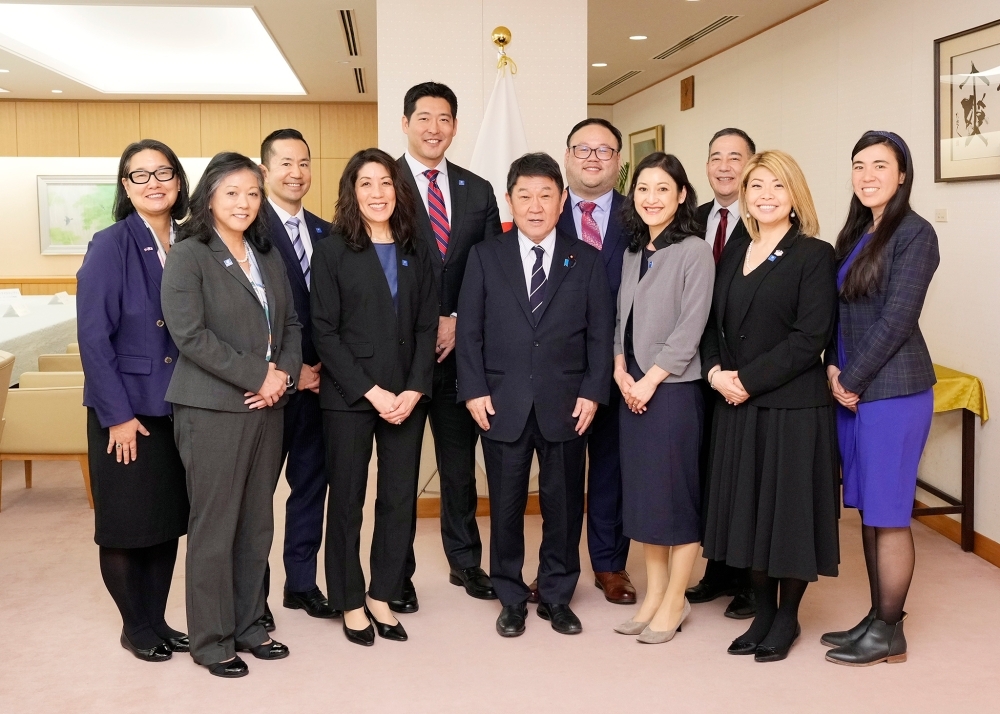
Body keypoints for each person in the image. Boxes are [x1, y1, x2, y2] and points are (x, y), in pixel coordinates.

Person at [457, 153, 614, 638]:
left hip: (566, 404)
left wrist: (592, 392)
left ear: (562, 199)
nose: (535, 205)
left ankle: (556, 594)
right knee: (504, 506)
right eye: (524, 195)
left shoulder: (585, 260)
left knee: (563, 506)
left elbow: (599, 336)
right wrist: (474, 390)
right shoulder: (485, 256)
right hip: (501, 402)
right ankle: (509, 595)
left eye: (547, 195)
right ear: (509, 200)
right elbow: (470, 335)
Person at [162, 152, 302, 678]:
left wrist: (282, 377)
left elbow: (291, 326)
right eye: (232, 193)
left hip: (268, 407)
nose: (244, 203)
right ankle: (211, 638)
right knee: (215, 527)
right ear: (209, 198)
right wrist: (257, 375)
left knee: (256, 524)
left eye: (252, 193)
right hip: (212, 409)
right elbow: (190, 334)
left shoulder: (265, 253)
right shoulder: (190, 253)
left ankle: (248, 626)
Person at [701, 150, 840, 663]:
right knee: (749, 515)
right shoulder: (737, 250)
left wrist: (748, 381)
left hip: (792, 410)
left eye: (777, 187)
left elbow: (811, 338)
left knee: (788, 518)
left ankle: (788, 618)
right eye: (756, 186)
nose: (765, 196)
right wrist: (716, 374)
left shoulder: (813, 254)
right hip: (737, 406)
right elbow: (712, 325)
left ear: (795, 195)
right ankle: (762, 611)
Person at [311, 148, 438, 647]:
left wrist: (412, 387)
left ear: (398, 189)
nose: (378, 193)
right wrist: (370, 390)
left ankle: (383, 593)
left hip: (407, 395)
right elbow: (324, 329)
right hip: (350, 395)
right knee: (346, 500)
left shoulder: (416, 245)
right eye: (366, 183)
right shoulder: (333, 248)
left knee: (399, 499)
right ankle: (349, 599)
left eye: (385, 182)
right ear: (352, 191)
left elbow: (429, 323)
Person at [822, 131, 939, 667]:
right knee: (871, 510)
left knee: (890, 513)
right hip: (857, 390)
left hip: (892, 391)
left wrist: (853, 379)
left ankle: (890, 629)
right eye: (859, 165)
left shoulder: (916, 234)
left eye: (880, 166)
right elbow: (839, 312)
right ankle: (877, 617)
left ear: (902, 175)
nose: (867, 175)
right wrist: (831, 365)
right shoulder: (857, 233)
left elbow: (898, 319)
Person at [77, 139, 191, 663]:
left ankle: (159, 620)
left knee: (166, 521)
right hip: (126, 410)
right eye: (139, 175)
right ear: (125, 187)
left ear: (178, 179)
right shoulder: (111, 243)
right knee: (126, 523)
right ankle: (135, 625)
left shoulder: (192, 240)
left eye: (161, 172)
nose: (153, 183)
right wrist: (116, 416)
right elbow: (93, 338)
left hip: (177, 407)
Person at [395, 82, 503, 612]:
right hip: (403, 353)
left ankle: (466, 561)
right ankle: (397, 572)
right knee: (402, 468)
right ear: (406, 123)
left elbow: (489, 269)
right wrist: (425, 324)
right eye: (423, 118)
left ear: (455, 127)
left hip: (461, 351)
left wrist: (457, 318)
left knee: (459, 465)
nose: (434, 127)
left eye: (444, 119)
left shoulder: (478, 189)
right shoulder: (380, 182)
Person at [610, 153, 714, 643]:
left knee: (678, 499)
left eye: (662, 189)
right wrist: (619, 369)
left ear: (682, 196)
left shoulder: (694, 250)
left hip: (671, 393)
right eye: (643, 189)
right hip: (630, 388)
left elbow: (689, 330)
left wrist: (647, 381)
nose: (651, 198)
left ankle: (676, 598)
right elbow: (619, 322)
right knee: (646, 500)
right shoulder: (634, 250)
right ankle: (652, 593)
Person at [550, 117, 634, 605]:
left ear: (618, 162)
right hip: (559, 367)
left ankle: (610, 564)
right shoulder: (543, 208)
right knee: (560, 475)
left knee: (610, 470)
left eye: (604, 151)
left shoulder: (639, 212)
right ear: (567, 156)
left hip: (622, 365)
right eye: (583, 149)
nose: (593, 158)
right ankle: (557, 568)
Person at [258, 128, 337, 630]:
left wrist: (325, 368)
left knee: (311, 486)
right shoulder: (246, 227)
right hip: (267, 387)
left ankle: (302, 583)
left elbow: (338, 309)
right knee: (258, 494)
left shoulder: (328, 231)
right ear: (264, 170)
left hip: (324, 386)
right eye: (285, 163)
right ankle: (253, 592)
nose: (296, 173)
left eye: (304, 163)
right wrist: (291, 371)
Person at [687, 128, 758, 620]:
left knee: (745, 475)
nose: (725, 166)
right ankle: (716, 569)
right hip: (694, 367)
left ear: (752, 165)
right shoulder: (689, 220)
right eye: (716, 157)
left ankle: (750, 581)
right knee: (708, 470)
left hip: (745, 371)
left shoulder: (763, 221)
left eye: (736, 158)